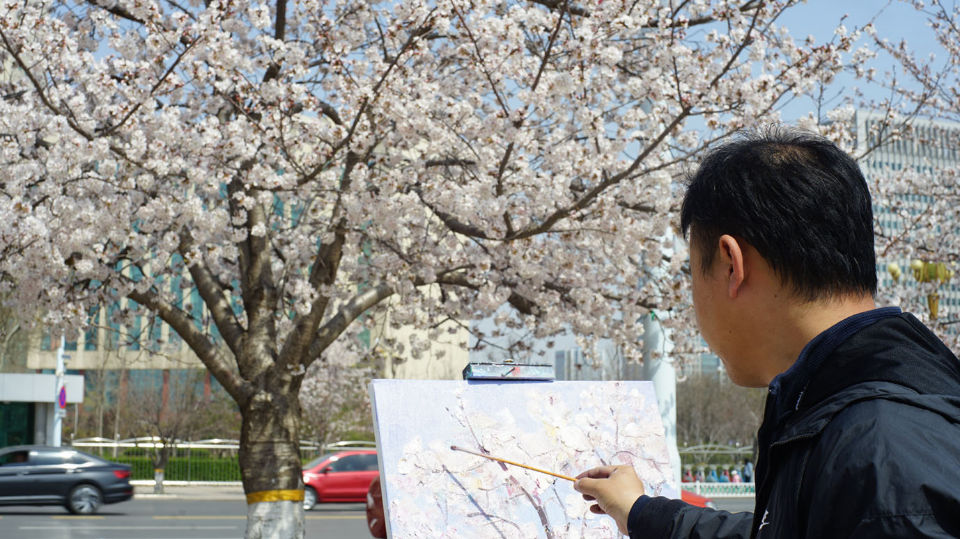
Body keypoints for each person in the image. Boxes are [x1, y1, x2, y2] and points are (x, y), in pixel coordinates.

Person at [573, 128, 960, 538]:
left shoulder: (878, 455)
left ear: (730, 264)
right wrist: (641, 513)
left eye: (692, 273)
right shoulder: (869, 415)